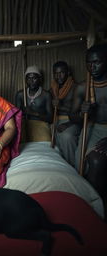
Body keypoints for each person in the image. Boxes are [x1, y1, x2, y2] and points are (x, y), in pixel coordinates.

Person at [70, 44, 107, 214]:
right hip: (92, 127)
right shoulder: (82, 87)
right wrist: (83, 113)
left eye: (97, 62)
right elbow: (73, 117)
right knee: (81, 164)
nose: (92, 67)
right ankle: (87, 206)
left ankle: (98, 208)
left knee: (97, 161)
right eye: (89, 63)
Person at [49, 61, 81, 167]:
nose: (59, 76)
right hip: (56, 120)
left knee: (67, 136)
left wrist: (68, 124)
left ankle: (72, 167)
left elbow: (81, 113)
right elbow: (49, 113)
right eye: (56, 73)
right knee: (50, 132)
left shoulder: (76, 88)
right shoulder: (52, 89)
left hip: (72, 121)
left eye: (62, 72)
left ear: (68, 72)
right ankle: (59, 166)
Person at [15, 65, 53, 142]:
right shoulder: (21, 94)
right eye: (28, 78)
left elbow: (50, 118)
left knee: (44, 144)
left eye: (34, 78)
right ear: (25, 80)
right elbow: (16, 117)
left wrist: (34, 113)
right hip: (24, 124)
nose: (31, 81)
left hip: (41, 124)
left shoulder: (46, 95)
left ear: (40, 79)